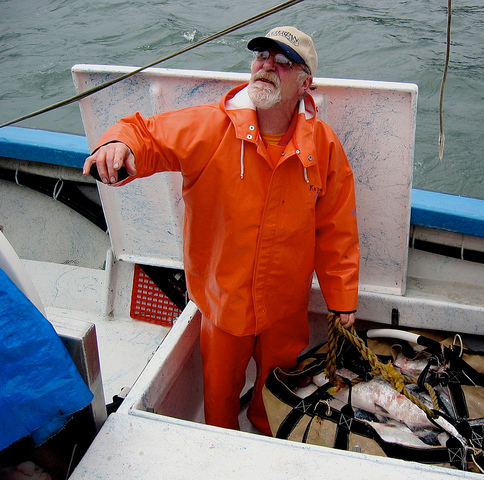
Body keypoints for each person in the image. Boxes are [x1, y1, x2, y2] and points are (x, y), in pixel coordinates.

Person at [83, 26, 360, 435]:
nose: (268, 66)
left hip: (286, 307)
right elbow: (144, 134)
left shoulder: (323, 145)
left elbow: (337, 227)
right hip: (222, 302)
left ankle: (270, 441)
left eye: (283, 62)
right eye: (262, 56)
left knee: (279, 396)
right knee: (219, 399)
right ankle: (219, 450)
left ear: (306, 83)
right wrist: (117, 144)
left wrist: (341, 299)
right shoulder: (211, 126)